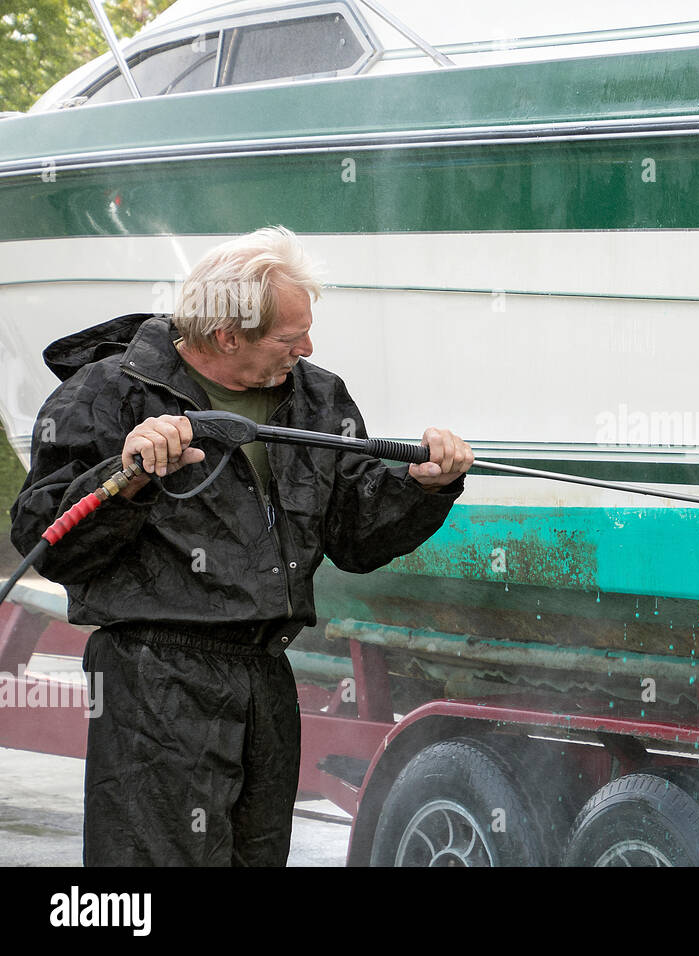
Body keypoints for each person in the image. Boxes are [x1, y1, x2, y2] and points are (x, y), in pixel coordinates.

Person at [8, 226, 472, 865]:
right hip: (156, 683)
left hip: (265, 678)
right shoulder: (108, 393)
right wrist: (129, 475)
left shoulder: (317, 396)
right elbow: (46, 540)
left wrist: (426, 487)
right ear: (228, 334)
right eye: (290, 337)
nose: (307, 347)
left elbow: (356, 537)